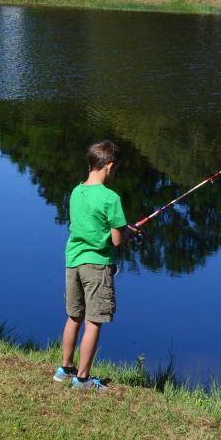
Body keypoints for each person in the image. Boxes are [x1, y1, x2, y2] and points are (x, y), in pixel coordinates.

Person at [54, 140, 139, 391]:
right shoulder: (111, 198)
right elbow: (116, 240)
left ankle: (65, 368)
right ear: (110, 167)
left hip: (73, 261)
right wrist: (130, 233)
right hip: (97, 265)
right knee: (94, 320)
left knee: (74, 316)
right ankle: (82, 379)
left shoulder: (76, 191)